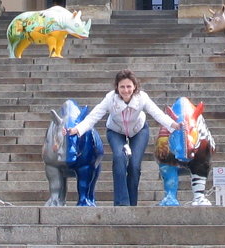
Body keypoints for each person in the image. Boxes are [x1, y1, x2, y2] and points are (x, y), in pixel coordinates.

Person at [68, 69, 179, 206]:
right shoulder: (110, 98)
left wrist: (173, 125)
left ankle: (132, 203)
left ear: (134, 87)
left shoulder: (142, 97)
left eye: (129, 86)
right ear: (117, 87)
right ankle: (122, 203)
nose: (125, 90)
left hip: (139, 130)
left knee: (134, 166)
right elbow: (94, 116)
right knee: (119, 158)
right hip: (115, 130)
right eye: (122, 87)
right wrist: (77, 129)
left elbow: (157, 113)